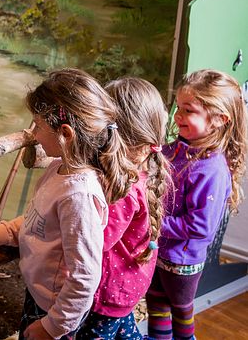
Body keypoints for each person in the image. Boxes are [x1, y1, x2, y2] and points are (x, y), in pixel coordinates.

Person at [0, 68, 138, 340]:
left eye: (38, 126)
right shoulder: (58, 169)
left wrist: (52, 327)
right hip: (39, 294)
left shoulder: (79, 197)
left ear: (65, 133)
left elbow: (85, 276)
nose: (34, 135)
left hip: (57, 310)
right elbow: (37, 220)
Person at [146, 69, 247, 340]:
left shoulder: (211, 170)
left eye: (188, 110)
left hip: (182, 263)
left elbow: (200, 228)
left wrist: (153, 225)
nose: (177, 116)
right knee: (156, 305)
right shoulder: (177, 148)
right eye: (178, 107)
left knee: (181, 313)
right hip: (161, 252)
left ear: (219, 119)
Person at [76, 77, 170, 339]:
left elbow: (97, 242)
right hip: (128, 285)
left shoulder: (123, 189)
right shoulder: (146, 170)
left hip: (108, 293)